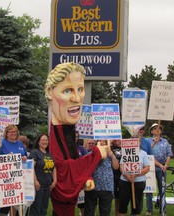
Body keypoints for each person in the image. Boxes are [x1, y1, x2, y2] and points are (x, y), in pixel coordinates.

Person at [45, 62, 108, 216]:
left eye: (80, 89)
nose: (76, 98)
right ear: (49, 92)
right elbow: (63, 169)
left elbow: (72, 162)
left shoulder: (68, 130)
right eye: (67, 90)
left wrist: (86, 176)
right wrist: (96, 154)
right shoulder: (57, 132)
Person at [0, 124, 28, 216]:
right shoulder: (2, 143)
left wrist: (25, 158)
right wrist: (7, 158)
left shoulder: (20, 144)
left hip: (19, 177)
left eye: (15, 131)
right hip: (7, 178)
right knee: (6, 204)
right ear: (6, 133)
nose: (13, 133)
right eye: (11, 132)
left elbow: (25, 156)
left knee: (18, 203)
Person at [84, 140, 119, 216]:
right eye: (101, 141)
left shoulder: (110, 155)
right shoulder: (91, 154)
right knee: (89, 211)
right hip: (92, 186)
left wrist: (112, 156)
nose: (103, 143)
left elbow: (116, 167)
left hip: (106, 186)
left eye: (104, 142)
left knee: (105, 212)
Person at [145, 123, 173, 215]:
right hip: (150, 168)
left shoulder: (165, 141)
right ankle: (149, 210)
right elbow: (147, 154)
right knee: (149, 190)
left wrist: (166, 165)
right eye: (155, 129)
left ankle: (163, 210)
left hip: (162, 169)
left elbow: (169, 154)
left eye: (159, 129)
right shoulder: (147, 141)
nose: (157, 130)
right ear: (152, 131)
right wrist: (154, 143)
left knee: (162, 190)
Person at [28, 134, 57, 216]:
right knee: (36, 209)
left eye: (46, 140)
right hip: (38, 186)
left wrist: (55, 180)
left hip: (47, 186)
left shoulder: (49, 154)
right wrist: (35, 181)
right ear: (38, 142)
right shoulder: (35, 153)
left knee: (44, 209)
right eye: (43, 140)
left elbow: (54, 167)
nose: (45, 142)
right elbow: (30, 167)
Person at [118, 149, 150, 216]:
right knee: (122, 205)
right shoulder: (125, 152)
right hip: (125, 181)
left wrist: (136, 174)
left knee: (136, 206)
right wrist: (127, 176)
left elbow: (147, 168)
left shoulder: (143, 153)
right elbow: (121, 166)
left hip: (138, 182)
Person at [75, 131, 88, 216]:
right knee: (69, 204)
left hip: (80, 179)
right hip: (69, 180)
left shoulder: (81, 149)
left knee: (81, 203)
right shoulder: (65, 148)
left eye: (76, 136)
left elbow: (87, 160)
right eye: (73, 136)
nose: (75, 138)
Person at [111, 139, 122, 216]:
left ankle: (117, 214)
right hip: (111, 174)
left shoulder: (125, 147)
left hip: (122, 175)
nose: (116, 140)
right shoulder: (109, 147)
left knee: (119, 197)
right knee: (110, 196)